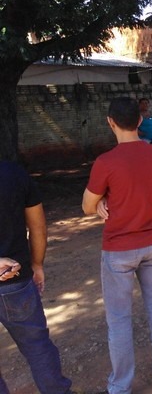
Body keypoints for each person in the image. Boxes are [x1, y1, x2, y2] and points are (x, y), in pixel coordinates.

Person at [82, 97, 152, 393]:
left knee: (119, 319)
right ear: (139, 121)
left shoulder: (105, 162)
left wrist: (101, 204)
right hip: (151, 242)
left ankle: (121, 386)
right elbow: (146, 192)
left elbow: (87, 206)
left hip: (118, 249)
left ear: (110, 122)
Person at [0, 161, 74, 394]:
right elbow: (38, 226)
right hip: (16, 280)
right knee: (37, 346)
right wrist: (37, 264)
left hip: (13, 276)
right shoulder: (13, 173)